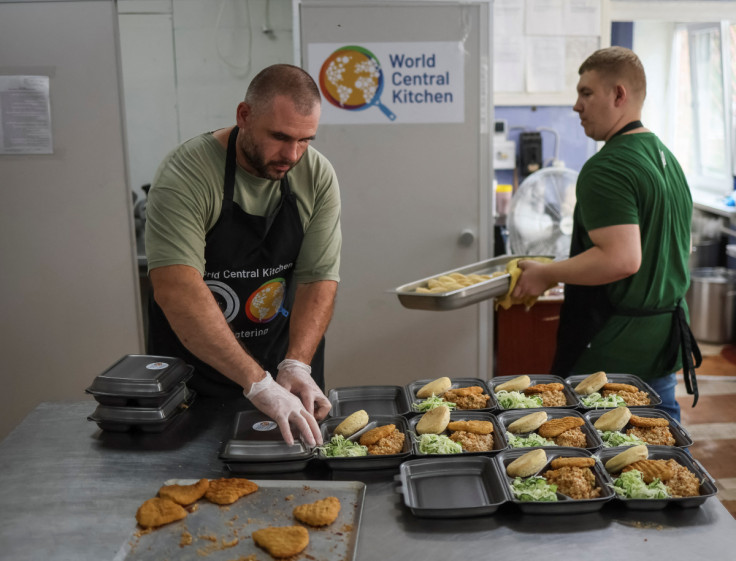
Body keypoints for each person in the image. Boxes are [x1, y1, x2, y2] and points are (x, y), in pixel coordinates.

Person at [145, 64, 341, 445]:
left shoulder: (315, 175)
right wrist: (257, 384)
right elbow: (176, 289)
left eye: (305, 140)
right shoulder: (187, 174)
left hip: (282, 364)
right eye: (280, 137)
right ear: (244, 116)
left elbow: (318, 277)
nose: (292, 155)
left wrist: (297, 363)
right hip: (196, 373)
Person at [512, 47, 700, 422]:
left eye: (586, 93)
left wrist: (546, 273)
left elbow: (621, 258)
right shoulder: (666, 158)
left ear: (619, 95)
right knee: (663, 452)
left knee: (593, 461)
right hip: (660, 342)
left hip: (612, 351)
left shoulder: (607, 166)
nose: (576, 107)